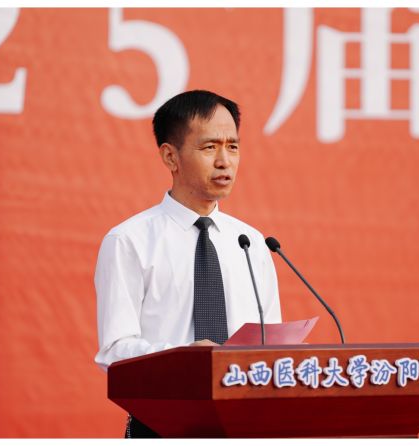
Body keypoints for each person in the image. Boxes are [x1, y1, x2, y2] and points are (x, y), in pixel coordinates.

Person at [93, 90, 280, 438]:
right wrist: (183, 358)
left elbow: (270, 343)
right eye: (209, 147)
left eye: (233, 147)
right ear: (170, 156)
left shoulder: (252, 242)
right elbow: (115, 353)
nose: (224, 161)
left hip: (245, 425)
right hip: (163, 426)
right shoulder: (129, 240)